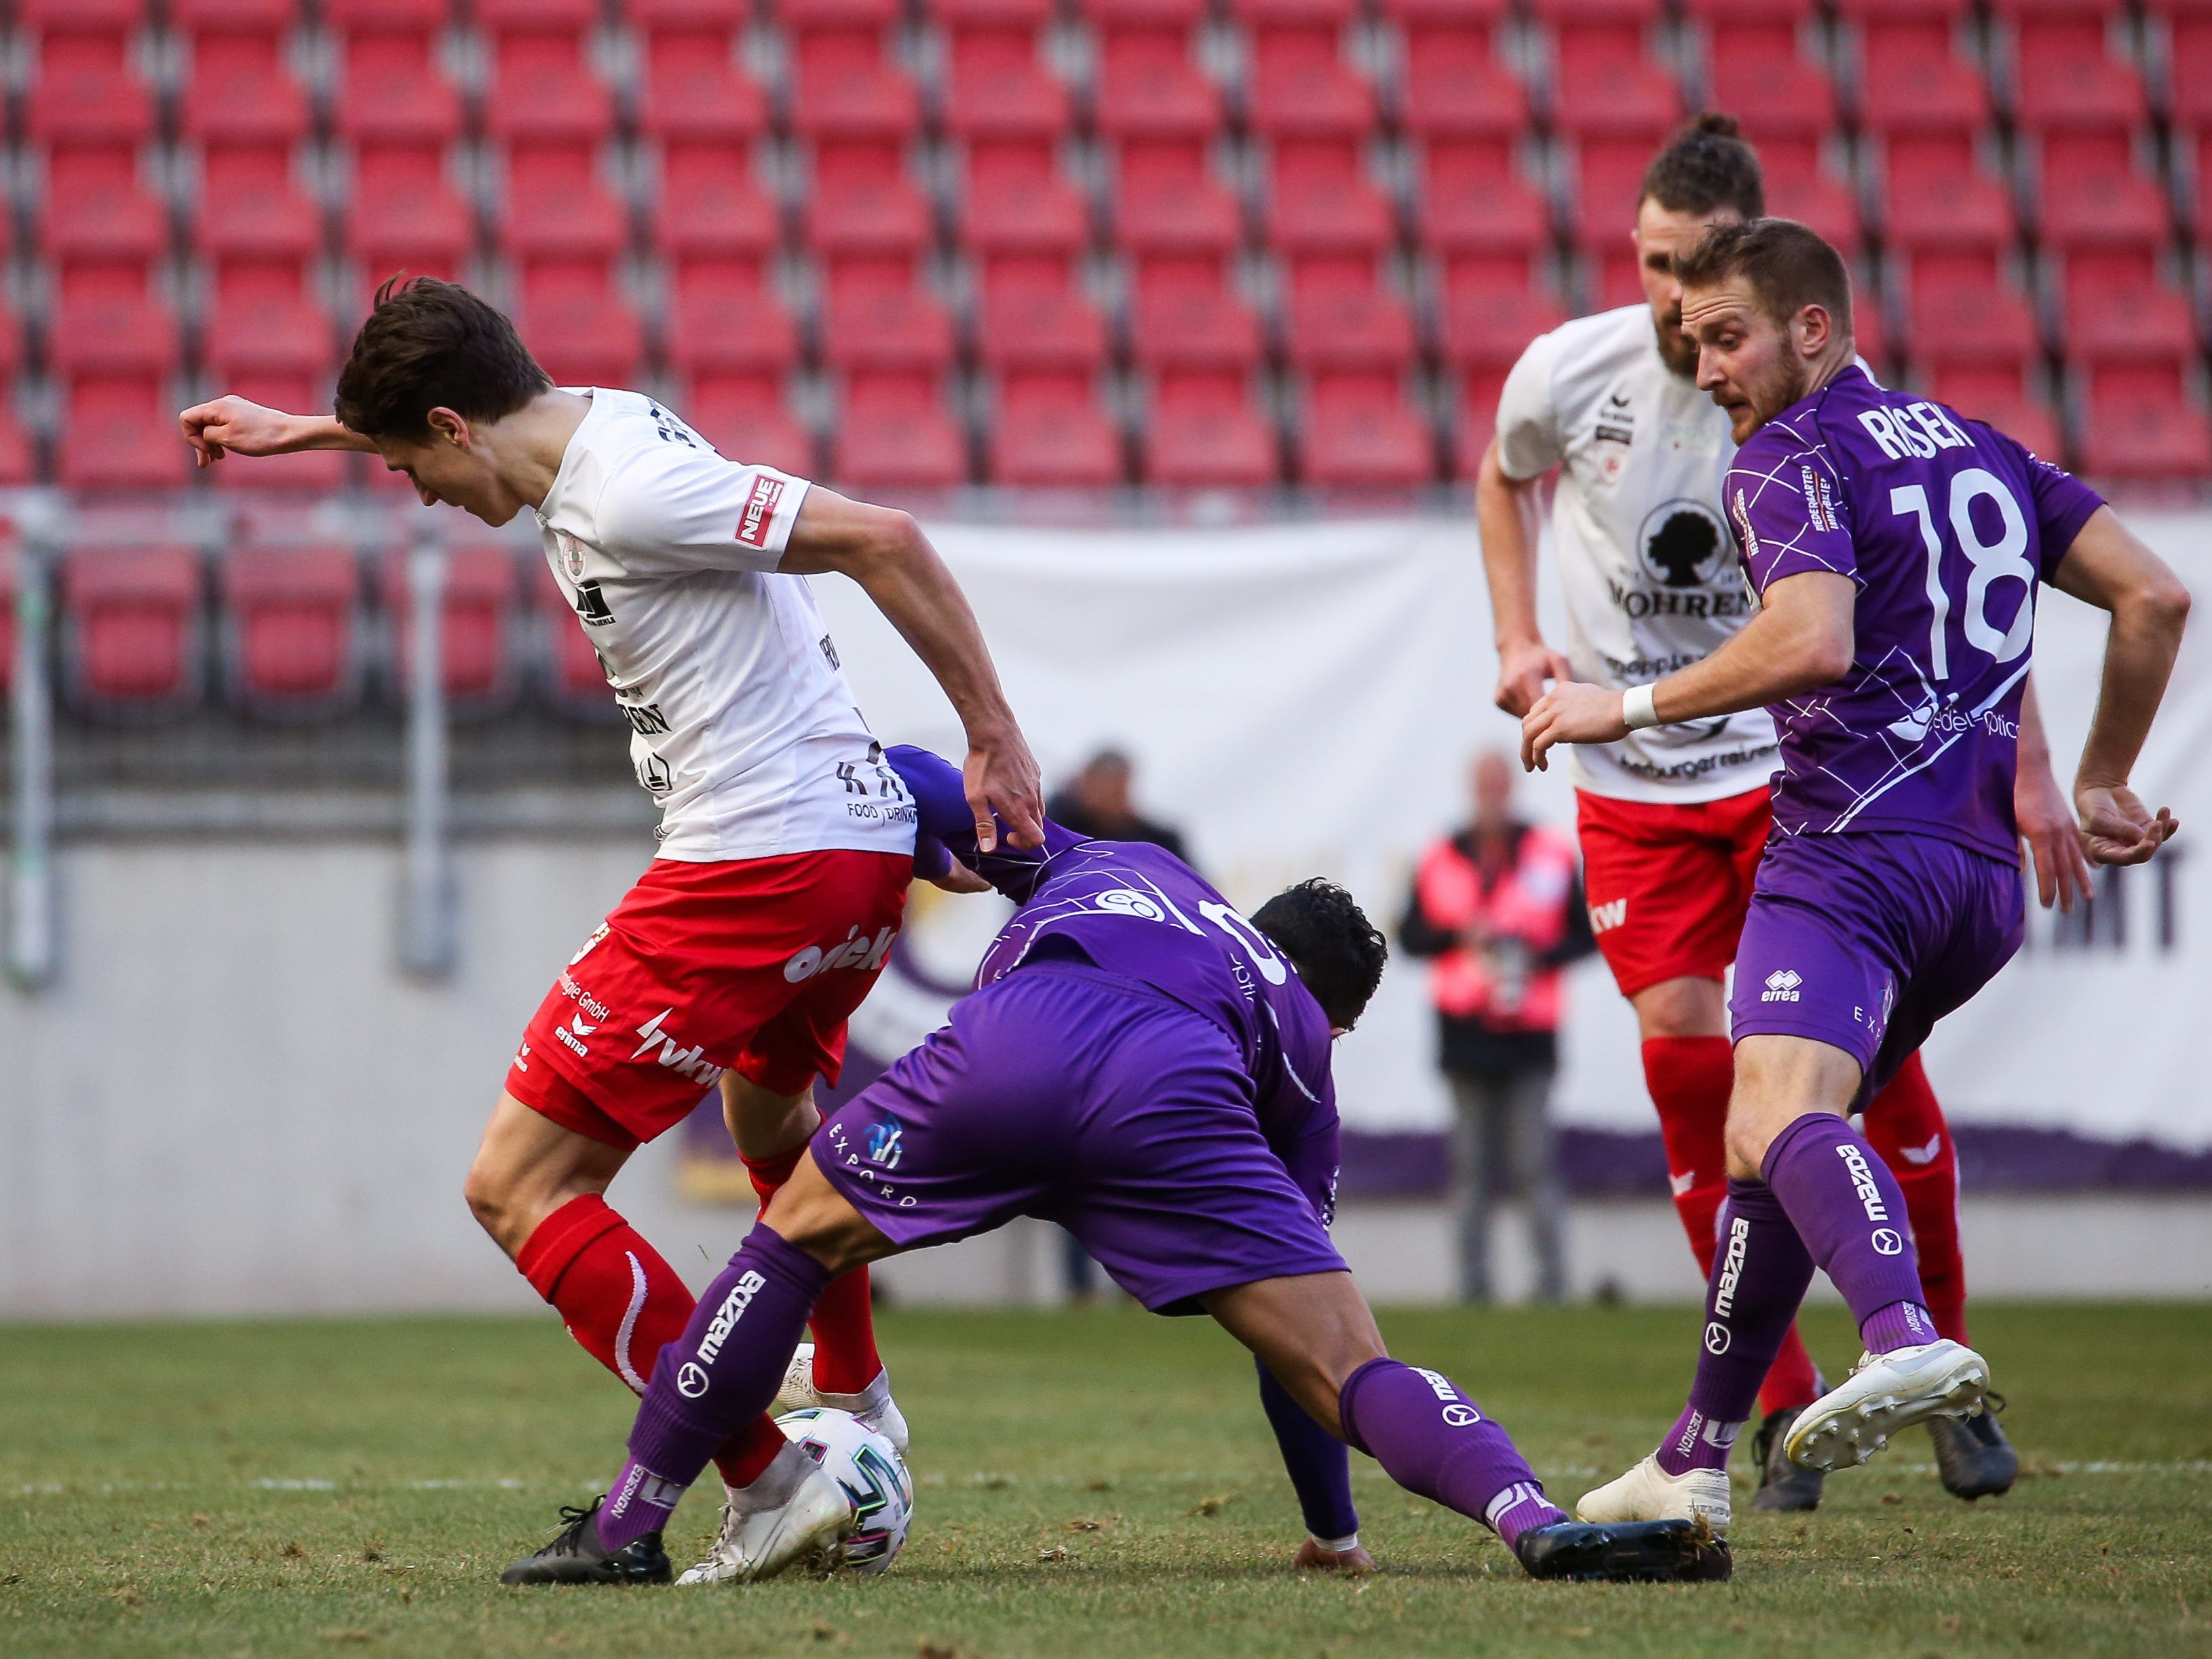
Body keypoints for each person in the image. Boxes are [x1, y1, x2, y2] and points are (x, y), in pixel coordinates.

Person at [177, 278, 1046, 1564]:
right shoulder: (579, 421)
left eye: (415, 465)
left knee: (520, 1188)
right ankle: (858, 1400)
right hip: (847, 862)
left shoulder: (629, 492)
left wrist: (992, 735)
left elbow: (887, 539)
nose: (418, 493)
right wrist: (303, 429)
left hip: (755, 861)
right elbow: (462, 422)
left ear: (454, 427)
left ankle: (767, 1478)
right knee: (773, 1116)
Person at [498, 744, 1732, 1588]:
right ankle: (1535, 1520)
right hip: (1178, 1109)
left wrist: (904, 844)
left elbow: (929, 780)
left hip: (1018, 1048)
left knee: (789, 1241)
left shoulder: (1132, 868)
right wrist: (1332, 1531)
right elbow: (1290, 1364)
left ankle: (630, 1521)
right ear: (1338, 1016)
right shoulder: (1304, 1053)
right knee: (1351, 1358)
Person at [1520, 218, 2186, 1539]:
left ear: (1810, 330)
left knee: (1768, 1121)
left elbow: (1812, 639)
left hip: (1844, 852)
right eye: (1691, 340)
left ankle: (1898, 1337)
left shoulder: (1786, 452)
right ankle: (1695, 1447)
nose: (1705, 368)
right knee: (1769, 1133)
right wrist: (2102, 774)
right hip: (1978, 882)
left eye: (1728, 337)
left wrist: (1625, 704)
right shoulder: (1983, 449)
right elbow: (2153, 596)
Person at [1398, 750, 1593, 1302]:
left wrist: (1535, 953)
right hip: (1464, 1031)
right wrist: (1459, 935)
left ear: (1511, 787)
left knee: (1535, 1163)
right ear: (1471, 788)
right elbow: (1409, 935)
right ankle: (1473, 1288)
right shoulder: (1440, 855)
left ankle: (1551, 1286)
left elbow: (1585, 935)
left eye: (1498, 784)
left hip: (1530, 1031)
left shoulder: (1549, 852)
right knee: (1470, 1169)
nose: (1491, 794)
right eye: (1482, 784)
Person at [1044, 746, 1194, 1297]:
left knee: (1143, 1146)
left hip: (1141, 1014)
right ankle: (1081, 1283)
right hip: (1075, 1014)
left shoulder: (1159, 840)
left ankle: (1146, 1275)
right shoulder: (1067, 832)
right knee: (1078, 1150)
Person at [1046, 746, 1191, 864]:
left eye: (1120, 792)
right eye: (1106, 791)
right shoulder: (1050, 827)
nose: (1116, 801)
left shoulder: (1160, 841)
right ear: (1085, 784)